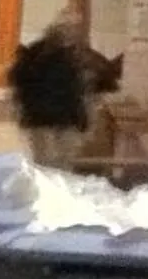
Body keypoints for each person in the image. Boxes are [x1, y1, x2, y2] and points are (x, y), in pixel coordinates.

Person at [9, 17, 92, 168]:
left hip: (44, 118)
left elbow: (18, 84)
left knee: (47, 161)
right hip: (52, 118)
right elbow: (75, 91)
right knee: (57, 162)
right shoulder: (65, 60)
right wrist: (80, 117)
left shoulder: (33, 56)